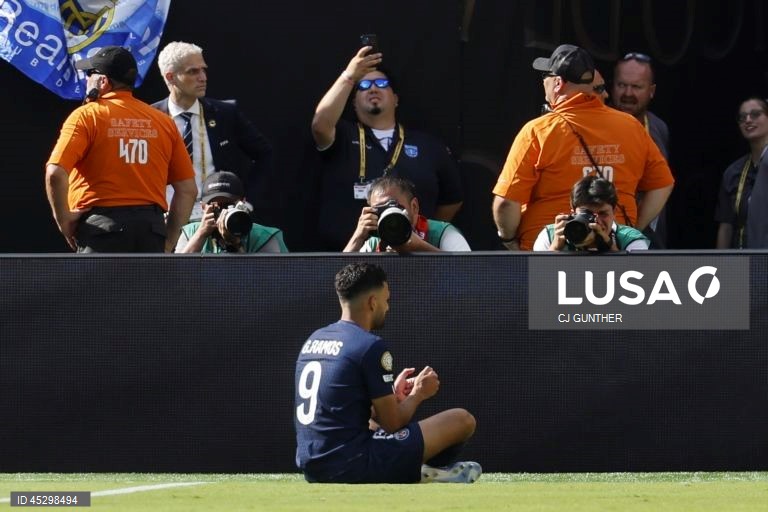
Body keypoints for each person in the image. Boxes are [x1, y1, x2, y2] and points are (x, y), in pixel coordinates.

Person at [294, 262, 481, 483]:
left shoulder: (314, 339)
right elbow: (393, 423)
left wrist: (391, 394)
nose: (387, 307)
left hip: (313, 466)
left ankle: (420, 470)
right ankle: (425, 470)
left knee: (373, 425)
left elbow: (341, 409)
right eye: (386, 300)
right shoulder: (369, 345)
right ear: (372, 302)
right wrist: (418, 394)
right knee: (462, 420)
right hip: (354, 464)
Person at [492, 44, 674, 251]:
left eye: (545, 76)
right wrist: (631, 227)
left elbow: (506, 203)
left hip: (547, 252)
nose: (543, 82)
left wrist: (509, 241)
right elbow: (662, 184)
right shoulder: (631, 126)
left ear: (558, 83)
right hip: (612, 248)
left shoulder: (538, 130)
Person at [45, 46, 196, 253]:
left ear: (103, 82)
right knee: (145, 287)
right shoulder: (164, 122)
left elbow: (55, 173)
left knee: (100, 287)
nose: (86, 79)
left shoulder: (87, 116)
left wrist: (64, 220)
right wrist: (169, 241)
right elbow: (188, 190)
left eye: (90, 74)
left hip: (101, 229)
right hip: (151, 232)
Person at [310, 46, 464, 250]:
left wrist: (421, 231)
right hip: (350, 255)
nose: (373, 89)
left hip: (417, 256)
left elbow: (452, 198)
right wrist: (349, 76)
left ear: (396, 98)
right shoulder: (343, 136)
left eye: (381, 83)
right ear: (353, 102)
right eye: (364, 85)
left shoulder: (428, 145)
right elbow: (320, 125)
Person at [152, 41, 273, 221]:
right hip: (166, 218)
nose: (203, 77)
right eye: (193, 71)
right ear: (170, 77)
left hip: (218, 218)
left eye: (203, 70)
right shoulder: (150, 118)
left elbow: (265, 154)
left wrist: (248, 202)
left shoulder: (225, 113)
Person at [343, 176, 470, 253]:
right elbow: (341, 280)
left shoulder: (442, 232)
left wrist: (420, 247)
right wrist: (358, 237)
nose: (389, 214)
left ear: (414, 206)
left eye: (394, 206)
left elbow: (470, 270)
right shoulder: (375, 241)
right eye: (380, 210)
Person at [175, 171, 288, 253]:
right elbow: (178, 275)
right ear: (203, 207)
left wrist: (235, 244)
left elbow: (271, 280)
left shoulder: (264, 237)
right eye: (215, 206)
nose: (223, 213)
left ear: (242, 203)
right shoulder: (191, 232)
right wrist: (200, 234)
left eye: (228, 205)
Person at [533, 175, 649, 252]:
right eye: (587, 214)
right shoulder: (550, 236)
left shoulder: (631, 240)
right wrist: (555, 248)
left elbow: (637, 281)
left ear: (614, 212)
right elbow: (538, 282)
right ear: (573, 212)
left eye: (603, 214)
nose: (596, 222)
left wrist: (609, 247)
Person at [716, 98, 768, 248]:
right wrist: (720, 266)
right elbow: (726, 225)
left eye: (755, 114)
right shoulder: (734, 172)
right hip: (744, 260)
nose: (748, 120)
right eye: (742, 117)